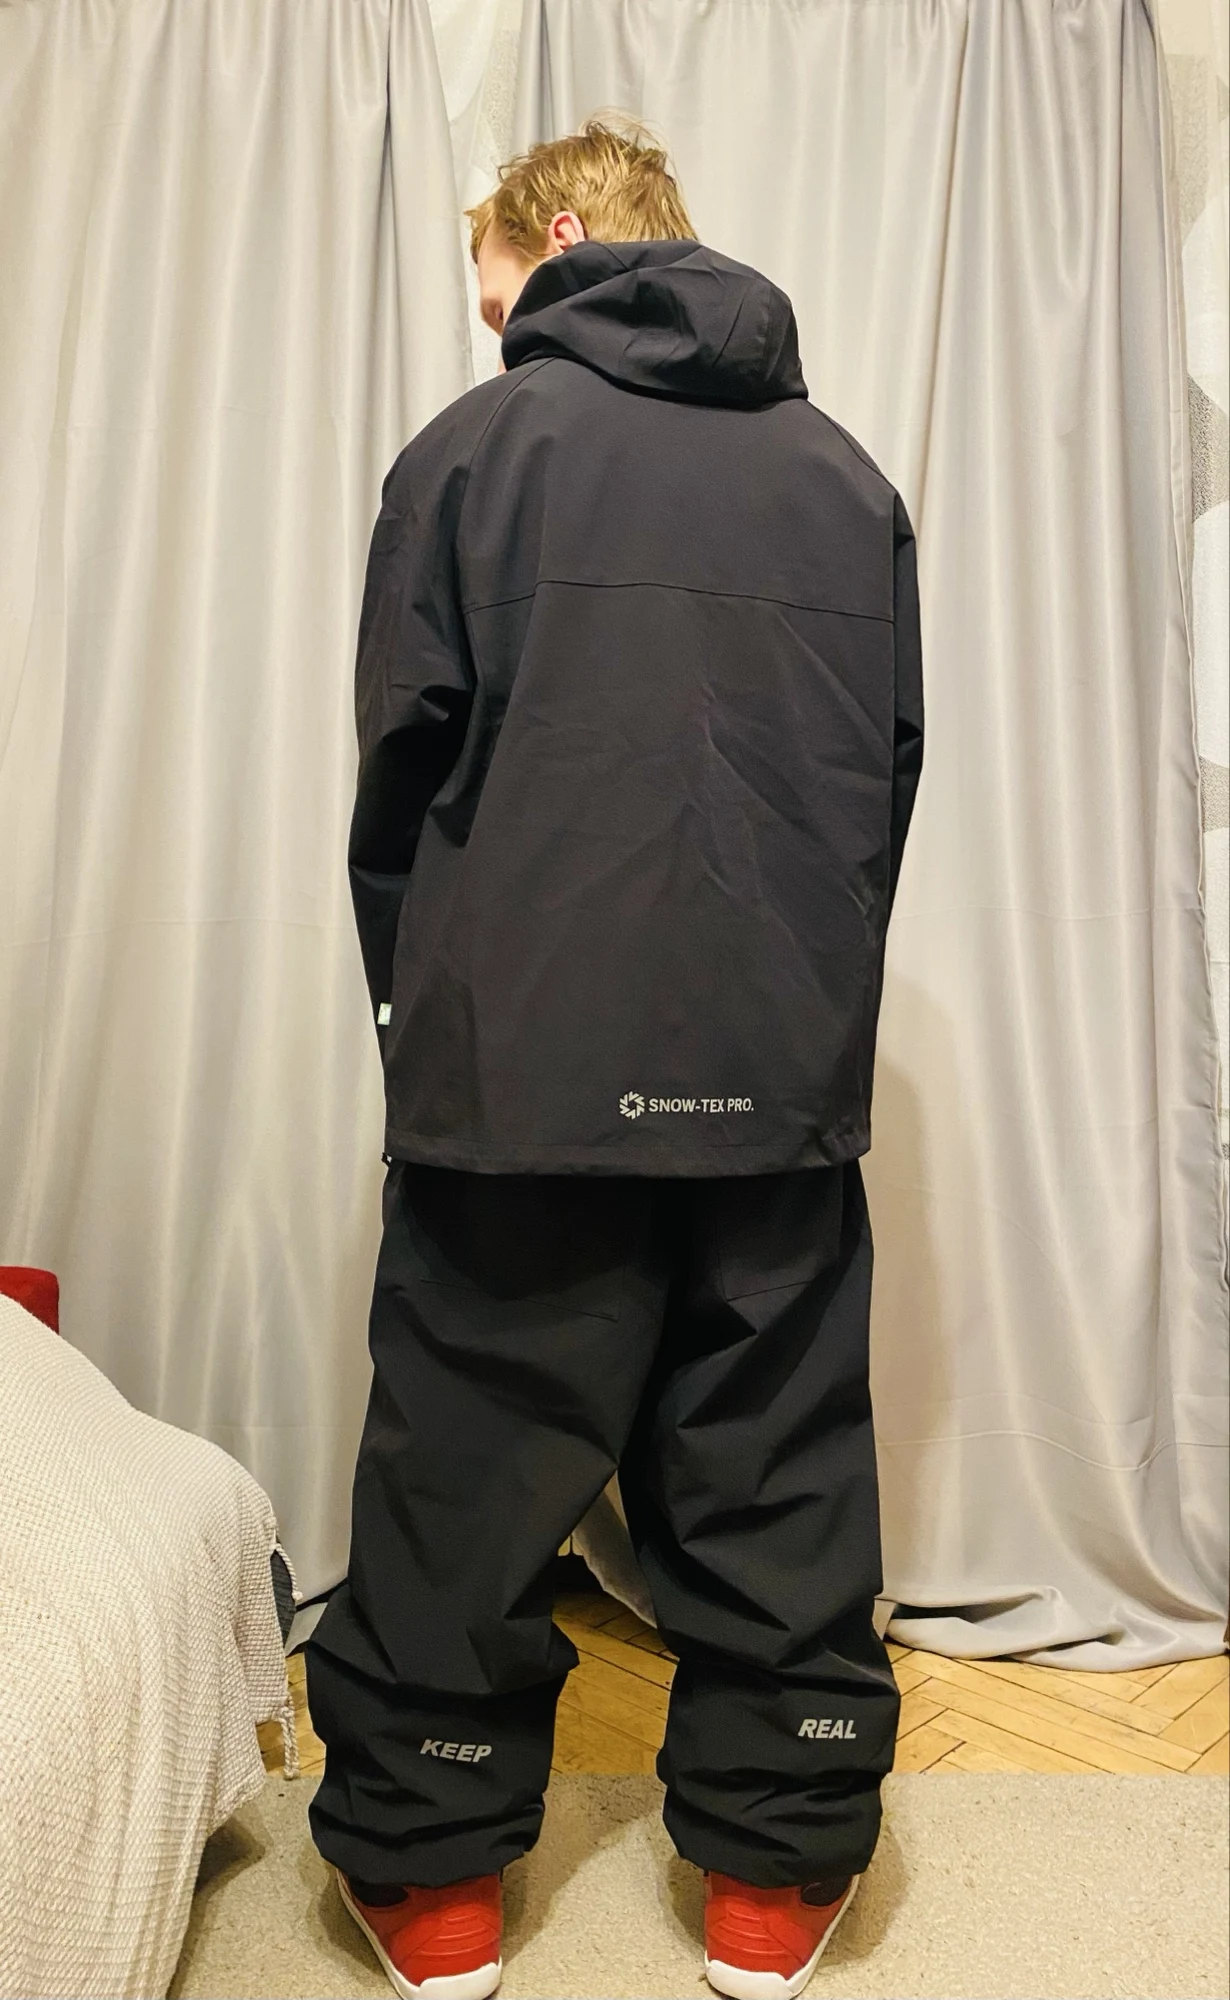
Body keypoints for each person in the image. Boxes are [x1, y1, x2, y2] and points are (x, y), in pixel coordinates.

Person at [306, 119, 924, 2000]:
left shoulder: (473, 454)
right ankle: (771, 1877)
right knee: (772, 1461)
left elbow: (401, 784)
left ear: (559, 234)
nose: (489, 326)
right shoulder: (843, 480)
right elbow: (879, 789)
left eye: (491, 286)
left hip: (522, 1070)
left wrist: (429, 1024)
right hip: (775, 1069)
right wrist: (803, 1006)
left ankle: (432, 1882)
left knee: (468, 1466)